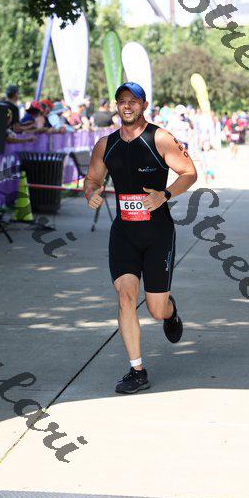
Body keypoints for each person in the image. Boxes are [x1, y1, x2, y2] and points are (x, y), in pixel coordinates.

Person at [85, 82, 197, 394]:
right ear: (116, 106)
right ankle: (137, 371)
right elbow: (92, 178)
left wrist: (165, 194)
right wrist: (91, 193)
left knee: (156, 309)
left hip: (157, 233)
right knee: (125, 297)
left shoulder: (159, 138)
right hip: (124, 233)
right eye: (122, 101)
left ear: (144, 105)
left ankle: (170, 312)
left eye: (133, 101)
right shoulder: (106, 144)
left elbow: (189, 172)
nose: (127, 106)